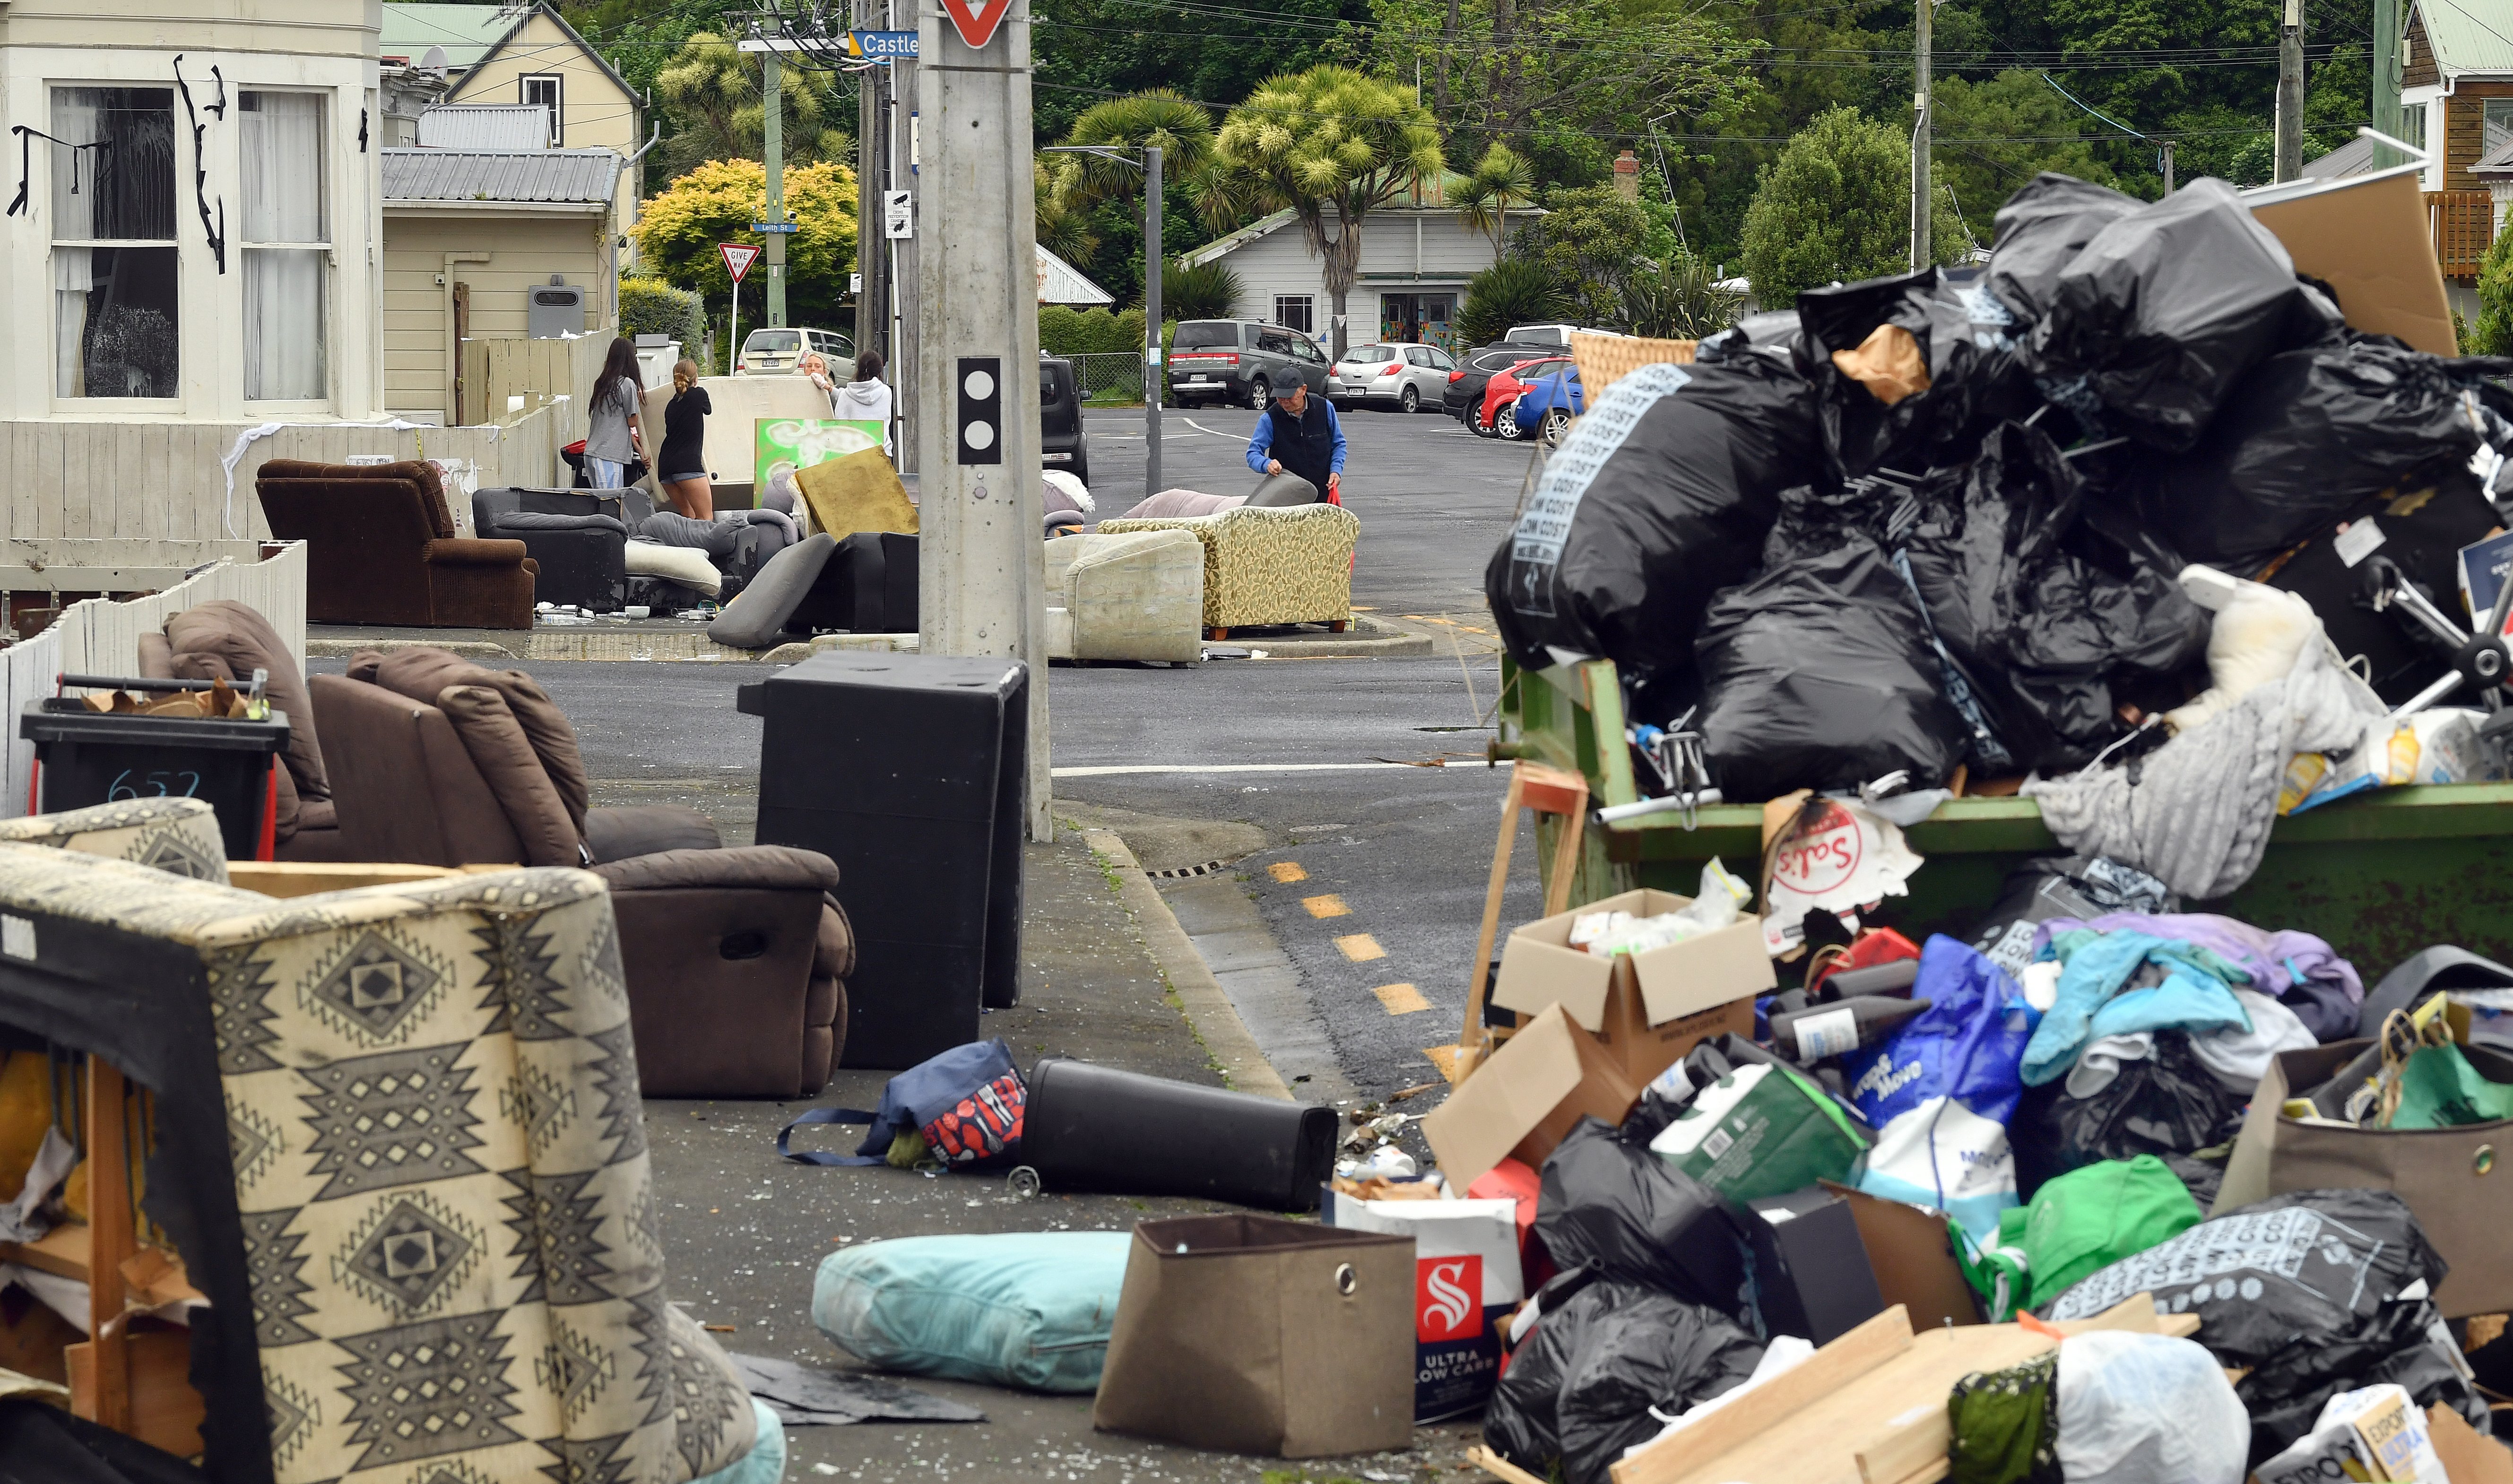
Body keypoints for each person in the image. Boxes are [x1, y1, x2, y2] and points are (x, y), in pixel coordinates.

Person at [1244, 373, 1344, 505]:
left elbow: (1338, 444)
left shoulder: (1325, 408)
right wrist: (1266, 464)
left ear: (1303, 390)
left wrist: (1336, 471)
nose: (1284, 401)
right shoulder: (1270, 418)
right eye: (1280, 397)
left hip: (1324, 492)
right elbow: (1253, 454)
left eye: (1289, 397)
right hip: (1287, 497)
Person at [583, 336, 645, 490]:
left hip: (593, 453)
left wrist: (640, 450)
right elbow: (632, 422)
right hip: (608, 455)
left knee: (603, 502)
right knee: (610, 503)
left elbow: (618, 427)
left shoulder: (602, 383)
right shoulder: (627, 384)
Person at [657, 358, 714, 519]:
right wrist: (696, 387)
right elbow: (708, 410)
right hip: (688, 465)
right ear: (695, 378)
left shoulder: (671, 404)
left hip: (666, 466)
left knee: (688, 516)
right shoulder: (699, 394)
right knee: (705, 518)